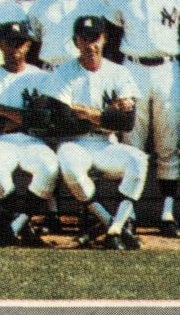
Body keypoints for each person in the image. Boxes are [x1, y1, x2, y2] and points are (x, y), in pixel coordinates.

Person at [105, 0, 180, 238]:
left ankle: (167, 212)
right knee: (132, 140)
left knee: (167, 140)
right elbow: (112, 38)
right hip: (133, 69)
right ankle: (128, 213)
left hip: (167, 69)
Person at [43, 16, 147, 251]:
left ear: (104, 39)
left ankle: (114, 229)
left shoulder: (119, 72)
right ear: (76, 41)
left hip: (106, 143)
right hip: (74, 143)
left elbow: (127, 122)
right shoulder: (63, 72)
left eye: (95, 38)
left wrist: (85, 112)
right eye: (85, 39)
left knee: (139, 160)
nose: (91, 45)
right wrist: (107, 115)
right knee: (68, 161)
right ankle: (111, 224)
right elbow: (62, 121)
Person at [0, 21, 59, 245]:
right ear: (0, 44)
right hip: (0, 140)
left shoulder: (42, 77)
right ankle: (22, 227)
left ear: (28, 46)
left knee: (49, 167)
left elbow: (44, 119)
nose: (15, 48)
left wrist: (3, 110)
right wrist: (26, 117)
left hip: (33, 140)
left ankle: (14, 226)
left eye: (20, 43)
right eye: (10, 42)